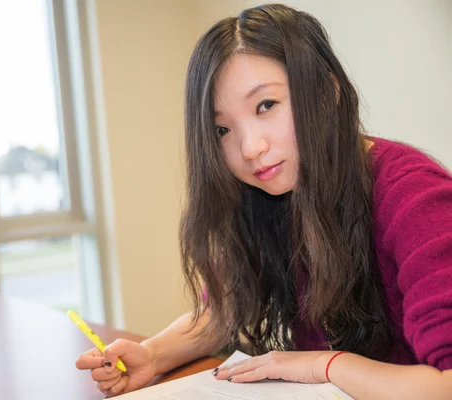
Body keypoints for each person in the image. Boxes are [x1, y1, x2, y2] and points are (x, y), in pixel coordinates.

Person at [76, 4, 452, 398]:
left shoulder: (414, 196)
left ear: (326, 94)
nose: (250, 148)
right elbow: (225, 308)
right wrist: (151, 356)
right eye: (222, 129)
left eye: (266, 106)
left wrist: (321, 363)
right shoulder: (269, 192)